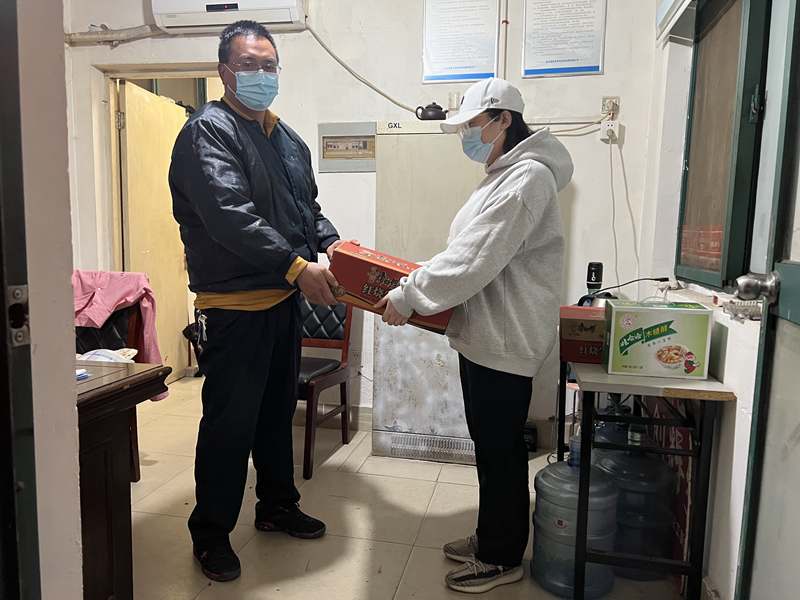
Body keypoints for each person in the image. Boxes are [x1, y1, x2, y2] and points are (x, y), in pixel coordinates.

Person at [376, 78, 573, 594]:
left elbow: (474, 258)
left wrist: (409, 295)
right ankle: (492, 536)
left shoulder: (527, 178)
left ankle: (501, 557)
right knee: (490, 447)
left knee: (500, 451)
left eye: (472, 125)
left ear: (504, 119)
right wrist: (416, 282)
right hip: (488, 334)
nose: (466, 135)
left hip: (505, 339)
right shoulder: (503, 175)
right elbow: (465, 251)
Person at [169, 20, 349, 583]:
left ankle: (277, 506)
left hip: (282, 302)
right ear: (225, 71)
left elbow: (306, 209)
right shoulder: (208, 131)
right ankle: (211, 533)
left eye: (270, 65)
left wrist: (334, 245)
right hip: (236, 306)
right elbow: (229, 217)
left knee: (276, 416)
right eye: (250, 65)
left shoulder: (286, 138)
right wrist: (296, 267)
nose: (262, 74)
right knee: (230, 425)